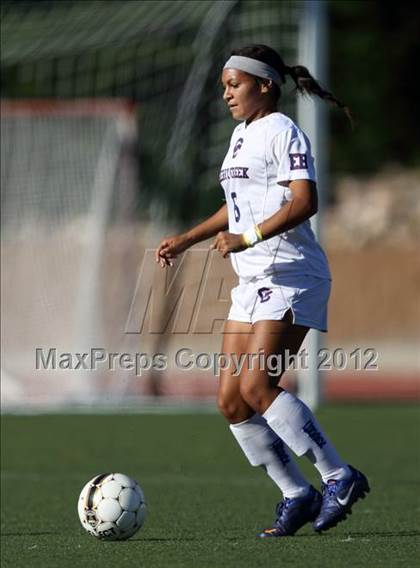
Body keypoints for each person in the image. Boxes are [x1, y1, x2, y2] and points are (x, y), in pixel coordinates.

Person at [155, 44, 369, 538]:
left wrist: (246, 238)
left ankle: (339, 475)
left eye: (235, 84)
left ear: (265, 85)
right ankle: (296, 494)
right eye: (224, 86)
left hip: (291, 274)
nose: (226, 93)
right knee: (231, 401)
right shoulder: (239, 135)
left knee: (257, 386)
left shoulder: (283, 130)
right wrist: (189, 238)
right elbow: (237, 206)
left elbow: (305, 201)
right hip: (251, 282)